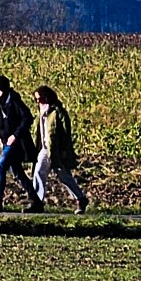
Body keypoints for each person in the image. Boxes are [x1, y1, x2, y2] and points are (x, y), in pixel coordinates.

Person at [30, 85, 89, 214]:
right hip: (45, 149)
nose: (38, 102)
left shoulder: (58, 112)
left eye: (40, 99)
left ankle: (80, 198)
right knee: (39, 172)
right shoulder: (40, 111)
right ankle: (37, 202)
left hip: (55, 149)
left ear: (47, 97)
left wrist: (64, 150)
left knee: (64, 176)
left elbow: (66, 133)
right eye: (36, 99)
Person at [0, 75, 40, 211]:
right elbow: (3, 124)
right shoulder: (3, 104)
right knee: (18, 173)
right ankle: (36, 201)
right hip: (7, 143)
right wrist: (1, 137)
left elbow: (27, 118)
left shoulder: (14, 102)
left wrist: (15, 136)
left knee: (0, 167)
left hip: (14, 144)